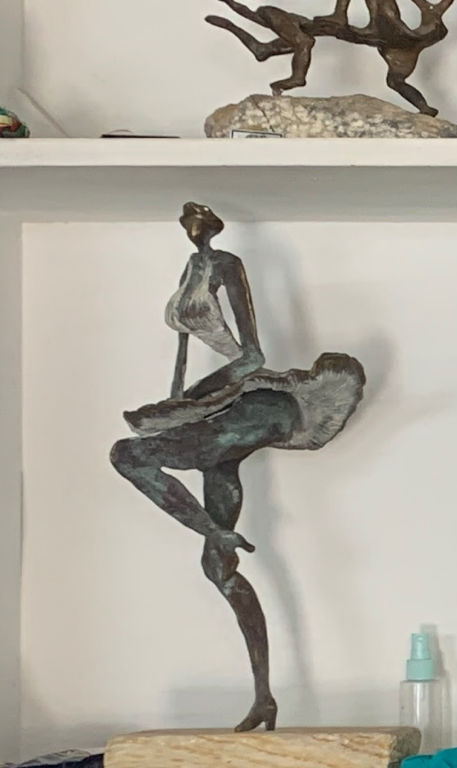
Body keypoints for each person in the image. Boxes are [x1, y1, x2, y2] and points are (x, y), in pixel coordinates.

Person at [112, 203, 368, 732]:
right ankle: (264, 697)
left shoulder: (225, 264)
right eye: (187, 218)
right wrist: (182, 405)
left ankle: (214, 531)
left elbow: (251, 356)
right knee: (218, 568)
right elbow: (188, 348)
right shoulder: (189, 270)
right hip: (228, 423)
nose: (192, 225)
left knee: (128, 453)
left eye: (199, 217)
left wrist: (201, 399)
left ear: (211, 226)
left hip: (258, 408)